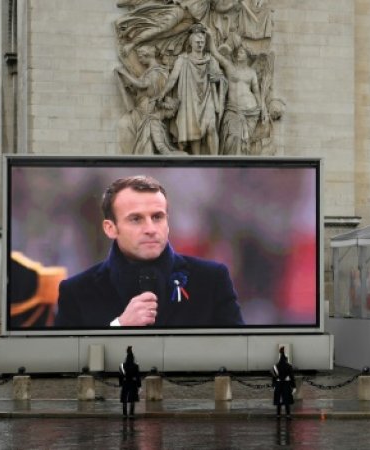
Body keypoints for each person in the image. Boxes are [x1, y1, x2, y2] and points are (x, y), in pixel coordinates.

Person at [55, 175, 245, 328]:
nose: (151, 229)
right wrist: (119, 327)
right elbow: (66, 366)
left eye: (157, 217)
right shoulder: (77, 292)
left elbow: (239, 354)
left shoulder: (212, 280)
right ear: (110, 228)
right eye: (136, 219)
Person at [159, 24, 226, 155]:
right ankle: (197, 160)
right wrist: (163, 92)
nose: (200, 44)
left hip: (208, 97)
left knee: (211, 128)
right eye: (197, 41)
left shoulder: (210, 59)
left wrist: (217, 79)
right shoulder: (183, 59)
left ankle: (215, 160)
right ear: (191, 42)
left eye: (202, 41)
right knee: (194, 133)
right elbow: (173, 78)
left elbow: (221, 78)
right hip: (190, 98)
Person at [272, 347, 295, 417]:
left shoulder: (275, 366)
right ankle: (288, 414)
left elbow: (273, 377)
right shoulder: (289, 366)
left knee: (279, 399)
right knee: (286, 399)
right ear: (286, 358)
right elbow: (291, 377)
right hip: (286, 384)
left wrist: (274, 385)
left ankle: (278, 414)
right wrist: (294, 386)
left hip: (278, 384)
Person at [119, 346, 142, 418]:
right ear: (133, 358)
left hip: (125, 382)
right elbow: (138, 376)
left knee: (124, 399)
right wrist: (139, 385)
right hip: (133, 383)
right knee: (132, 398)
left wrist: (120, 383)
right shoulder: (136, 366)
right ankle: (131, 414)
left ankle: (124, 414)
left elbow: (120, 376)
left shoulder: (122, 366)